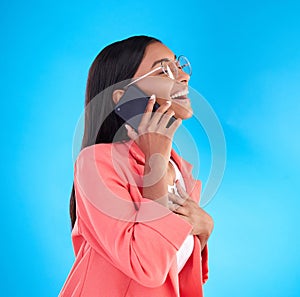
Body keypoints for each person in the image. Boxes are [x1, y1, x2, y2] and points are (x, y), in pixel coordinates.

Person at [59, 35, 214, 297]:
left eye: (179, 66)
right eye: (164, 69)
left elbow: (173, 273)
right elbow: (147, 265)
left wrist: (204, 233)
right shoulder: (95, 164)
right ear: (124, 98)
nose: (183, 78)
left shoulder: (180, 170)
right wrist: (155, 162)